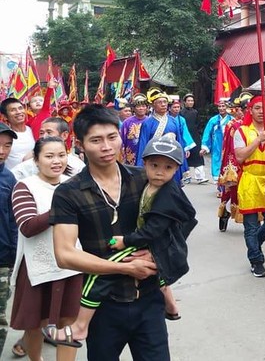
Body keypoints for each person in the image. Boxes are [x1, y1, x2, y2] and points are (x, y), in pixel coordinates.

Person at [49, 104, 168, 361]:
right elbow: (65, 255)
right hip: (103, 306)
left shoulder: (143, 179)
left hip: (148, 300)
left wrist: (158, 255)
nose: (106, 147)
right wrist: (124, 268)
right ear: (79, 144)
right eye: (96, 140)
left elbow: (176, 225)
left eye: (112, 137)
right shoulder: (69, 193)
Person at [59, 133, 197, 344]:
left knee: (98, 275)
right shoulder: (146, 181)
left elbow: (165, 226)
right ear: (145, 163)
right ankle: (171, 306)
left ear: (177, 168)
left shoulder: (167, 192)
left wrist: (129, 241)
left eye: (168, 168)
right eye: (155, 165)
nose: (160, 172)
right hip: (144, 250)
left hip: (143, 242)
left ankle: (80, 326)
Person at [10, 137, 84, 359]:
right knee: (36, 323)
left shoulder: (75, 184)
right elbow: (28, 226)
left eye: (61, 155)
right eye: (49, 156)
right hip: (37, 265)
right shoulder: (24, 187)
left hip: (72, 263)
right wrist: (61, 207)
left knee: (69, 321)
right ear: (36, 159)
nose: (56, 161)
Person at [234, 96, 265, 278]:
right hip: (249, 180)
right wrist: (257, 140)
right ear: (250, 110)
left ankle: (255, 245)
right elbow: (240, 156)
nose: (261, 112)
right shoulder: (241, 132)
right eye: (257, 108)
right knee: (251, 226)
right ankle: (256, 260)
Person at [136, 89, 190, 186]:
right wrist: (141, 166)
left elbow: (179, 142)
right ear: (153, 105)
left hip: (171, 158)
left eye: (165, 102)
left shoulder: (174, 121)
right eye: (160, 102)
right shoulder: (147, 123)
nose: (163, 104)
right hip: (155, 160)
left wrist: (182, 161)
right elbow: (143, 145)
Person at [12, 118, 86, 181]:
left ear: (64, 135)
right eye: (41, 133)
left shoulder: (77, 165)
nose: (44, 136)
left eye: (49, 132)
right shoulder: (26, 167)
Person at [217, 95, 248, 231]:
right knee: (231, 191)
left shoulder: (253, 124)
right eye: (245, 109)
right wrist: (231, 167)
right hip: (235, 162)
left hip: (251, 162)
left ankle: (253, 221)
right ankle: (224, 215)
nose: (246, 111)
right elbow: (228, 148)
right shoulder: (233, 125)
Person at [0, 123, 18, 356]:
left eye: (7, 145)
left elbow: (14, 222)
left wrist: (14, 257)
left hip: (2, 260)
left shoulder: (9, 178)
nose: (2, 150)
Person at [200, 100, 232, 185]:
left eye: (223, 106)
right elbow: (207, 134)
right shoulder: (213, 120)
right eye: (219, 106)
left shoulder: (232, 120)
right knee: (216, 160)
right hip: (217, 145)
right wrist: (205, 147)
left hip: (229, 145)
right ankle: (218, 183)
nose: (221, 108)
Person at [167, 98, 197, 184]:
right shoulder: (165, 119)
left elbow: (185, 134)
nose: (176, 109)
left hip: (179, 143)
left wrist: (186, 148)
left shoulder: (181, 120)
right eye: (174, 107)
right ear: (169, 108)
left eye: (178, 107)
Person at [0, 98, 36, 170]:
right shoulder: (5, 136)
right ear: (5, 117)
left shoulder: (33, 130)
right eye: (13, 110)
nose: (18, 112)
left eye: (20, 108)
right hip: (14, 179)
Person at [180, 94, 205, 183]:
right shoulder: (181, 113)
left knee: (198, 155)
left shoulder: (195, 112)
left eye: (192, 101)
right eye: (188, 101)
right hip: (185, 137)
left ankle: (200, 177)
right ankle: (186, 176)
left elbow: (198, 124)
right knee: (185, 156)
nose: (190, 102)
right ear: (184, 102)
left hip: (195, 136)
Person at [120, 94, 148, 165]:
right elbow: (122, 141)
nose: (141, 108)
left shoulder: (150, 121)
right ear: (134, 108)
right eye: (138, 106)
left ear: (147, 108)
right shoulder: (127, 122)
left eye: (143, 106)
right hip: (130, 157)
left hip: (146, 155)